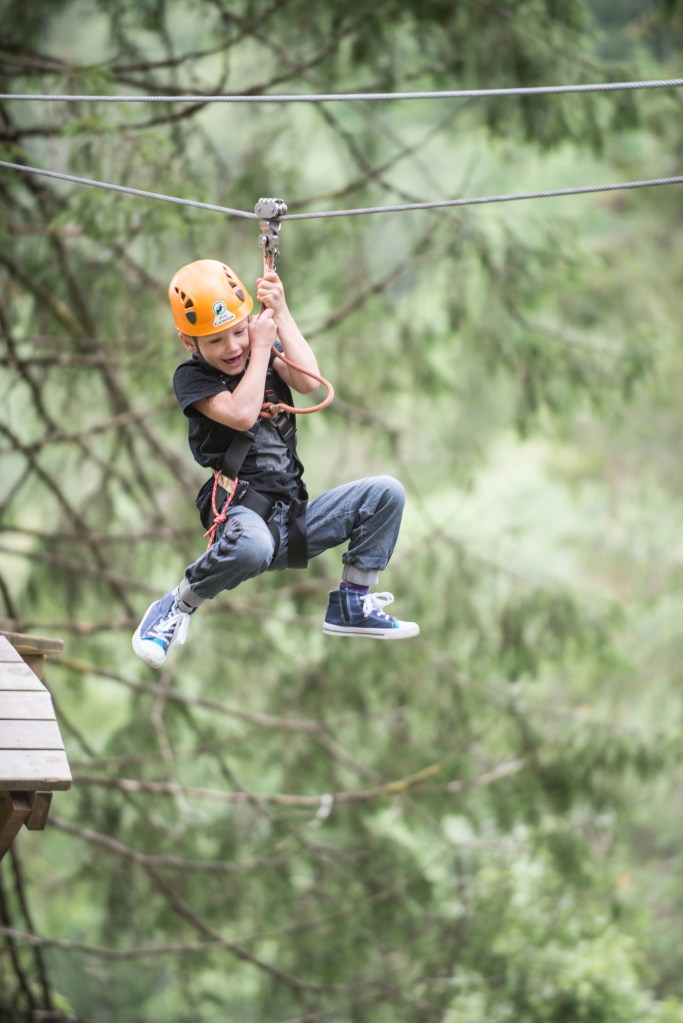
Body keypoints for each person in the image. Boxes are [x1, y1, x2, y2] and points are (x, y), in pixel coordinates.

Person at [132, 258, 419, 668]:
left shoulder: (263, 349)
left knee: (386, 493)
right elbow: (241, 414)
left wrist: (281, 314)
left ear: (249, 321)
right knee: (254, 545)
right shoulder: (192, 378)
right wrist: (262, 347)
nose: (232, 347)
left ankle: (353, 602)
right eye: (215, 341)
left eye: (237, 332)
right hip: (242, 519)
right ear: (188, 342)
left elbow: (309, 381)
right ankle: (175, 607)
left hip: (292, 518)